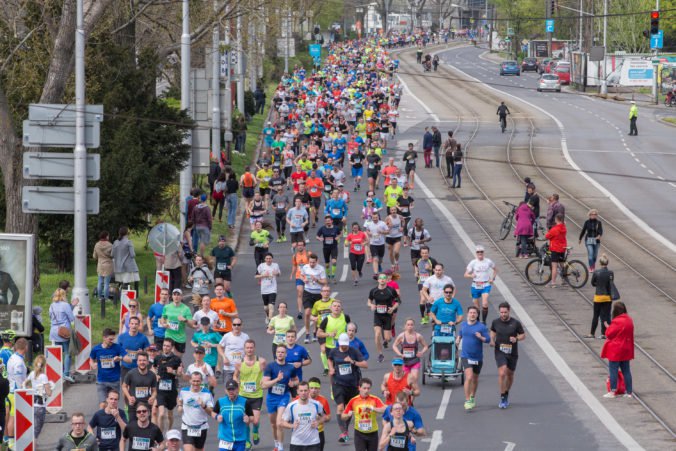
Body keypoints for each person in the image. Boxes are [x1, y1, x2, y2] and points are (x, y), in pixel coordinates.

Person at [262, 346, 299, 451]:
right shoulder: (270, 366)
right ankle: (276, 443)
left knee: (279, 423)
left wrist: (293, 383)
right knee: (273, 424)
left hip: (284, 396)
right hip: (271, 398)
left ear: (286, 354)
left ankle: (281, 447)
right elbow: (264, 384)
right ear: (276, 354)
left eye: (282, 352)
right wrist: (277, 379)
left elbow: (297, 380)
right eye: (278, 352)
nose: (280, 354)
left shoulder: (290, 367)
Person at [490, 302, 526, 409]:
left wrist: (516, 339)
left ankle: (506, 393)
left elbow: (523, 335)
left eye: (505, 312)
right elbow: (493, 331)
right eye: (501, 312)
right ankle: (502, 397)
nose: (503, 314)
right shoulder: (495, 322)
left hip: (512, 353)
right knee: (502, 372)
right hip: (500, 351)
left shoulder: (515, 323)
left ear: (509, 311)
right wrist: (492, 340)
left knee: (510, 375)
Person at [233, 339, 266, 447]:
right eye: (247, 348)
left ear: (254, 348)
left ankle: (255, 431)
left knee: (255, 421)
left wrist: (264, 380)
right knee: (246, 420)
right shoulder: (239, 363)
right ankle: (247, 442)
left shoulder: (261, 362)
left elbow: (266, 375)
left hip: (257, 395)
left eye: (251, 347)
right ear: (244, 349)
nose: (249, 349)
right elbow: (235, 375)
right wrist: (236, 380)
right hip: (243, 395)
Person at [457, 306, 490, 410]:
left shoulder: (481, 327)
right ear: (467, 314)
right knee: (469, 377)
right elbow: (461, 333)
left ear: (477, 315)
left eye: (474, 313)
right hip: (466, 356)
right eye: (470, 313)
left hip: (477, 357)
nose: (472, 314)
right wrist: (458, 339)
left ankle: (472, 397)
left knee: (475, 379)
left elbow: (488, 340)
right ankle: (467, 400)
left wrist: (481, 337)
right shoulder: (464, 324)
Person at [90, 328, 131, 408]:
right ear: (104, 338)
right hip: (101, 381)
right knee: (103, 405)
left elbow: (129, 360)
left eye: (113, 339)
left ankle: (113, 419)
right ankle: (103, 419)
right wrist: (92, 364)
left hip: (114, 381)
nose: (112, 341)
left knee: (113, 405)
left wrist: (120, 358)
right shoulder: (96, 349)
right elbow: (91, 358)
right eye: (110, 339)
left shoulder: (117, 347)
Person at [279, 381, 326, 451]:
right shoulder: (291, 406)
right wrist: (292, 426)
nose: (303, 393)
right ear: (297, 391)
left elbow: (324, 416)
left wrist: (318, 422)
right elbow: (282, 423)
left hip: (313, 442)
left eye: (305, 390)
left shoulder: (316, 404)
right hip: (296, 443)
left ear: (309, 391)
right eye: (301, 391)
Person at [341, 378, 386, 451]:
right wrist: (347, 415)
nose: (366, 390)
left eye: (368, 388)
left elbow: (385, 409)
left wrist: (372, 408)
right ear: (359, 388)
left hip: (373, 433)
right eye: (364, 388)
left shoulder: (375, 399)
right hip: (359, 434)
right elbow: (343, 416)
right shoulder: (353, 400)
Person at [601, 302, 634, 398]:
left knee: (613, 370)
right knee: (626, 370)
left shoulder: (617, 321)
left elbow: (609, 334)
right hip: (626, 349)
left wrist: (608, 327)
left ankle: (612, 391)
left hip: (616, 350)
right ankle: (629, 392)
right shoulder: (629, 320)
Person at [211, 379, 254, 451]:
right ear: (225, 390)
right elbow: (213, 412)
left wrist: (248, 419)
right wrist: (217, 416)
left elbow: (252, 417)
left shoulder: (245, 401)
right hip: (225, 439)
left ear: (237, 389)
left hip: (240, 440)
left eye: (233, 389)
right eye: (229, 389)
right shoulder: (220, 401)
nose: (231, 391)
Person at [177, 372, 214, 450]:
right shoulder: (184, 391)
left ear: (201, 381)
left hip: (201, 427)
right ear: (190, 381)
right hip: (187, 426)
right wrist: (180, 406)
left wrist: (204, 406)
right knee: (188, 449)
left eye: (198, 381)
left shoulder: (207, 393)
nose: (195, 383)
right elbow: (179, 399)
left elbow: (211, 412)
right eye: (194, 381)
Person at [368, 274, 399, 363]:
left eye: (384, 278)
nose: (382, 280)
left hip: (387, 316)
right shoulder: (373, 291)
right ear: (378, 280)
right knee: (377, 334)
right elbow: (369, 301)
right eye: (380, 278)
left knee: (388, 338)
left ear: (386, 280)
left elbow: (397, 302)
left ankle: (386, 337)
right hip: (378, 315)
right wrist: (371, 305)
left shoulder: (391, 290)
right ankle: (380, 354)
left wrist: (392, 308)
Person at [155, 338, 184, 433]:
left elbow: (180, 374)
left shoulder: (176, 359)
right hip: (160, 390)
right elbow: (153, 368)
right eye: (164, 345)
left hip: (171, 390)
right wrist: (155, 375)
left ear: (171, 347)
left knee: (170, 415)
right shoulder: (158, 358)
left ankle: (169, 430)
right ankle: (160, 437)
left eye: (168, 346)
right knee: (162, 414)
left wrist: (174, 371)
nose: (165, 347)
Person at [464, 245, 498, 324]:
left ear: (484, 252)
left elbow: (495, 270)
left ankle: (484, 321)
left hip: (485, 284)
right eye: (478, 252)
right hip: (475, 285)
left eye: (481, 252)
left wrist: (492, 279)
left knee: (485, 303)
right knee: (476, 306)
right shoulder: (473, 262)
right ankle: (478, 321)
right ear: (476, 253)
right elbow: (465, 274)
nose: (480, 253)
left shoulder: (488, 261)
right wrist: (470, 275)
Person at [21, 354, 52, 438]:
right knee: (38, 428)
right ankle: (33, 444)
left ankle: (31, 443)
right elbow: (49, 393)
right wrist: (50, 388)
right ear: (44, 365)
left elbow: (23, 383)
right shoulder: (43, 376)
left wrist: (27, 388)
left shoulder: (32, 373)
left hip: (31, 404)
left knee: (31, 426)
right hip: (40, 405)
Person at [49, 288, 76, 382]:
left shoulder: (52, 305)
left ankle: (58, 372)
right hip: (64, 332)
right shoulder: (65, 305)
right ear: (63, 295)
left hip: (54, 331)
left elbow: (50, 317)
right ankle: (66, 374)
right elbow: (72, 318)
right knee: (67, 353)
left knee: (57, 353)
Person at [299, 254, 327, 344]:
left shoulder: (321, 269)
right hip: (307, 292)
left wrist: (317, 280)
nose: (311, 264)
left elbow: (325, 282)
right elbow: (301, 275)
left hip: (318, 293)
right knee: (307, 313)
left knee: (315, 315)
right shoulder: (305, 267)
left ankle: (315, 331)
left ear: (317, 261)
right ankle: (307, 333)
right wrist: (304, 280)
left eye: (313, 262)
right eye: (310, 262)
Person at [122, 351, 157, 423]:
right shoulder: (131, 373)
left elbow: (154, 390)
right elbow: (124, 386)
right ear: (137, 362)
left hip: (146, 405)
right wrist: (129, 397)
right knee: (132, 427)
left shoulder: (152, 375)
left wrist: (153, 397)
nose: (142, 362)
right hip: (133, 404)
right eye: (140, 360)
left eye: (144, 360)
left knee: (146, 427)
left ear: (147, 362)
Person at [160, 288, 195, 357]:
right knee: (167, 356)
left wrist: (185, 320)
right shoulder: (167, 307)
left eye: (178, 295)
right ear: (172, 296)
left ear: (181, 297)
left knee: (178, 359)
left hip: (180, 337)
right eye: (174, 294)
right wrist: (163, 324)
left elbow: (192, 324)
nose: (176, 296)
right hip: (169, 336)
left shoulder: (186, 309)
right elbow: (163, 318)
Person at [586, 254, 614, 339]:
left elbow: (592, 283)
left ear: (600, 263)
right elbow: (611, 283)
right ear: (607, 263)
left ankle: (592, 333)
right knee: (606, 316)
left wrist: (598, 284)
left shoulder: (596, 272)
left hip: (598, 297)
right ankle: (604, 334)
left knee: (596, 315)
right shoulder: (610, 273)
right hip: (608, 297)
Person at [112, 226, 140, 292]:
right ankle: (133, 297)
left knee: (121, 283)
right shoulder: (128, 242)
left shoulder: (115, 242)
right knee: (128, 283)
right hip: (128, 266)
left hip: (118, 266)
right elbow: (133, 255)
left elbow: (112, 255)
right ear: (127, 233)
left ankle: (120, 296)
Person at [256, 253, 282, 322]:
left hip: (273, 289)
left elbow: (279, 274)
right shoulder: (261, 266)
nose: (268, 260)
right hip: (264, 289)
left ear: (272, 259)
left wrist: (276, 273)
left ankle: (270, 322)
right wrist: (263, 275)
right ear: (265, 259)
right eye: (267, 259)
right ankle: (267, 316)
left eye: (270, 258)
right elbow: (256, 276)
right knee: (266, 307)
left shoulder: (275, 265)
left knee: (271, 306)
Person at [545, 213, 567, 288]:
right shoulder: (564, 228)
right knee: (562, 265)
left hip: (555, 249)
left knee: (554, 266)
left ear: (556, 219)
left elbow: (547, 236)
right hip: (563, 248)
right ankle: (564, 280)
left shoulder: (554, 229)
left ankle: (553, 283)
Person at [316, 216, 341, 283]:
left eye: (329, 221)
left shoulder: (336, 228)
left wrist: (338, 237)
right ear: (325, 222)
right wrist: (319, 238)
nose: (328, 222)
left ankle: (333, 276)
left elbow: (340, 234)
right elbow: (317, 236)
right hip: (326, 248)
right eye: (326, 221)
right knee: (327, 264)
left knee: (334, 261)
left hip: (334, 247)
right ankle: (329, 276)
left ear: (331, 221)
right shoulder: (322, 228)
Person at [93, 230, 113, 302]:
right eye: (108, 235)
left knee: (100, 282)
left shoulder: (97, 245)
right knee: (106, 283)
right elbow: (112, 255)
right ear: (106, 236)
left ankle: (99, 298)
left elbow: (94, 256)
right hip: (108, 265)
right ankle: (106, 298)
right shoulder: (110, 245)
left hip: (100, 265)